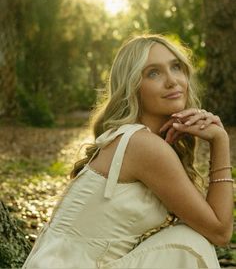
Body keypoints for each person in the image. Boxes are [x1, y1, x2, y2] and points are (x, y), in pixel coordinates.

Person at [22, 34, 234, 269]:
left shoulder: (133, 139)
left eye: (176, 67)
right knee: (190, 242)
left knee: (185, 237)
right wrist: (220, 142)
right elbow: (220, 231)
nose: (172, 81)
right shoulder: (142, 145)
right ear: (132, 86)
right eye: (154, 73)